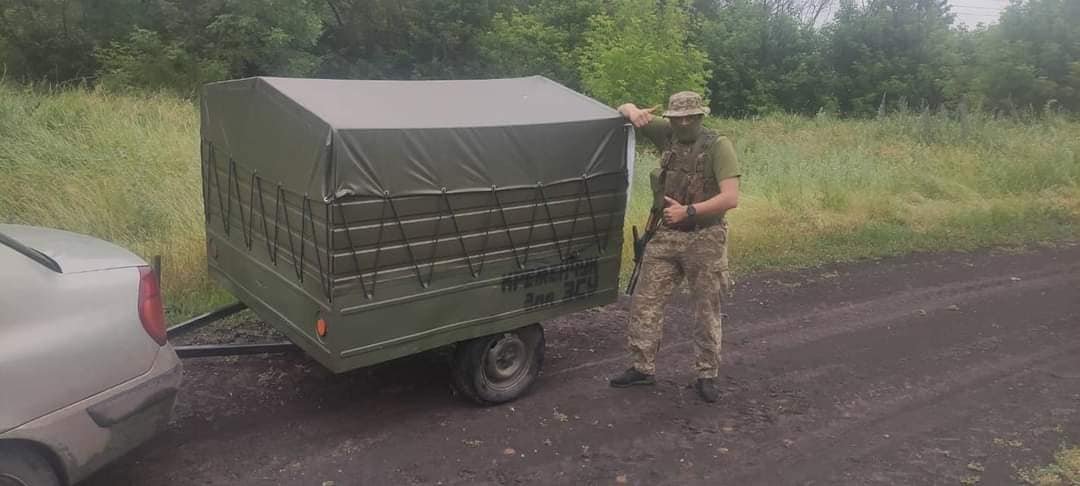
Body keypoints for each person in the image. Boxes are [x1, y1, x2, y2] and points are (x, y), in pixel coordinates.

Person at [610, 91, 741, 403]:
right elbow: (623, 109)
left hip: (705, 236)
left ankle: (707, 374)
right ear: (670, 118)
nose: (683, 123)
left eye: (690, 117)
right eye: (677, 118)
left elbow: (731, 197)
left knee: (705, 308)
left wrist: (689, 211)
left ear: (700, 116)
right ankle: (642, 367)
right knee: (645, 301)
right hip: (667, 234)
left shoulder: (718, 146)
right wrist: (632, 109)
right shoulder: (667, 133)